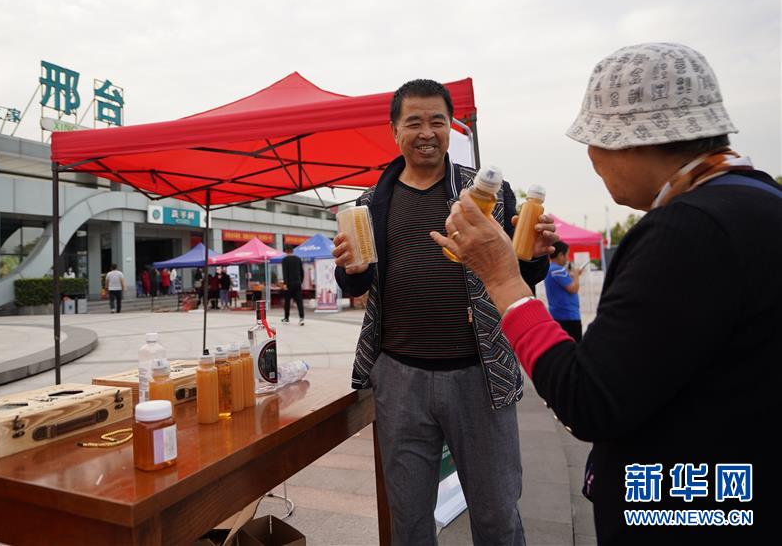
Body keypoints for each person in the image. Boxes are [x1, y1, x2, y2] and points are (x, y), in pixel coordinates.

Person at [431, 43, 781, 545]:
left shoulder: (688, 230)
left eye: (595, 141)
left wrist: (502, 278)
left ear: (634, 142)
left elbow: (587, 400)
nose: (592, 158)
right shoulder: (760, 200)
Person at [333, 79, 557, 545]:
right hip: (399, 378)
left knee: (496, 514)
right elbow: (358, 283)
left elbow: (520, 270)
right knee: (409, 519)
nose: (427, 132)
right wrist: (349, 269)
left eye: (437, 121)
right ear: (394, 130)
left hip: (479, 376)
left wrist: (535, 254)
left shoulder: (487, 195)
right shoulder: (372, 203)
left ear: (450, 128)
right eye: (413, 121)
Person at [543, 240, 582, 341]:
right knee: (575, 346)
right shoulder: (558, 270)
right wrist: (576, 275)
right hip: (568, 316)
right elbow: (573, 289)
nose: (567, 258)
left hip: (557, 315)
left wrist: (572, 275)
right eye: (567, 255)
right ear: (560, 255)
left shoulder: (550, 269)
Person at [281, 246, 305, 325]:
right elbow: (302, 272)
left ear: (286, 251)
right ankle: (301, 318)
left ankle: (286, 318)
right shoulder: (298, 259)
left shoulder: (285, 260)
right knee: (299, 302)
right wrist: (300, 281)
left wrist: (285, 283)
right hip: (297, 283)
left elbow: (285, 273)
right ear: (292, 251)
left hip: (289, 284)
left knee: (287, 302)